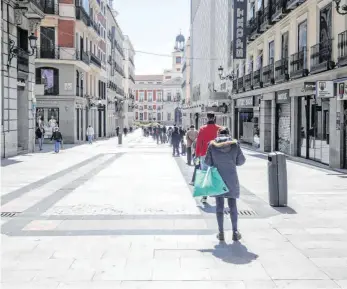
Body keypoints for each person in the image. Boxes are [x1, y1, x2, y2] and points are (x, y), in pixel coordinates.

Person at [204, 127, 246, 242]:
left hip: (218, 178)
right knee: (232, 205)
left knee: (219, 206)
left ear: (218, 134)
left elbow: (207, 162)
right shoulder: (235, 145)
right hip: (231, 178)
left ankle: (221, 233)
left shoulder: (212, 145)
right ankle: (235, 232)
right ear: (229, 134)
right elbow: (241, 161)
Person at [195, 112, 222, 203]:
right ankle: (218, 196)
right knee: (216, 175)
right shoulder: (219, 129)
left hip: (204, 154)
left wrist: (197, 154)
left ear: (207, 118)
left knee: (204, 175)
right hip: (217, 154)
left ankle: (204, 197)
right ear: (214, 118)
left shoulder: (202, 129)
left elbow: (199, 142)